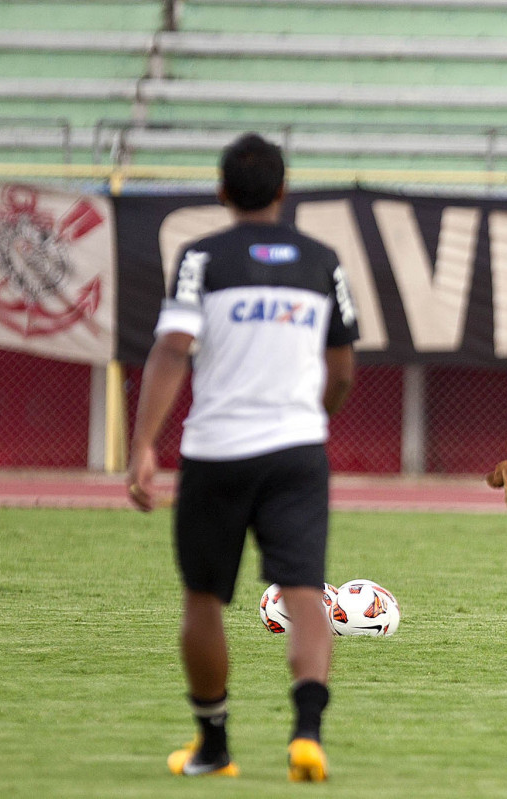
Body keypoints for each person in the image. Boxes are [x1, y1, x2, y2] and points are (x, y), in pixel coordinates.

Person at [126, 133, 358, 779]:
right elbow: (342, 371)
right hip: (297, 450)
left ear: (222, 190)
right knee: (305, 592)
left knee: (203, 600)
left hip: (217, 450)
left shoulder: (201, 257)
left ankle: (214, 745)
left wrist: (143, 443)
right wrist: (310, 419)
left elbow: (173, 347)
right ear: (285, 190)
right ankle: (306, 731)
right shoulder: (323, 261)